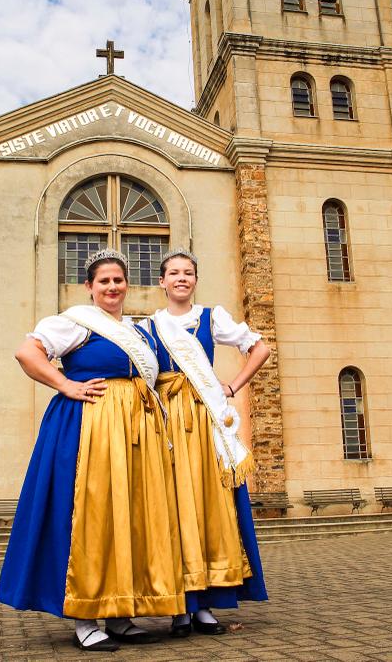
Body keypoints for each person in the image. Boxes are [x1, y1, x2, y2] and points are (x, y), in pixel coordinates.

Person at [0, 249, 184, 652]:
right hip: (91, 427)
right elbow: (26, 353)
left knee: (127, 514)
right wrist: (67, 386)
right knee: (92, 513)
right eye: (104, 281)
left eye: (118, 280)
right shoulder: (74, 323)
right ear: (89, 287)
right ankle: (85, 617)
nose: (112, 287)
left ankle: (118, 614)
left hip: (133, 433)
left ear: (126, 285)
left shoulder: (136, 331)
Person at [149, 248, 270, 637]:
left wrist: (233, 385)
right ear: (162, 281)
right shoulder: (150, 326)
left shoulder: (210, 317)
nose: (181, 278)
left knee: (207, 505)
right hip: (167, 424)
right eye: (174, 273)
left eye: (188, 272)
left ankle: (205, 607)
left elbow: (259, 347)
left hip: (205, 422)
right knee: (174, 507)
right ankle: (180, 608)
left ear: (195, 280)